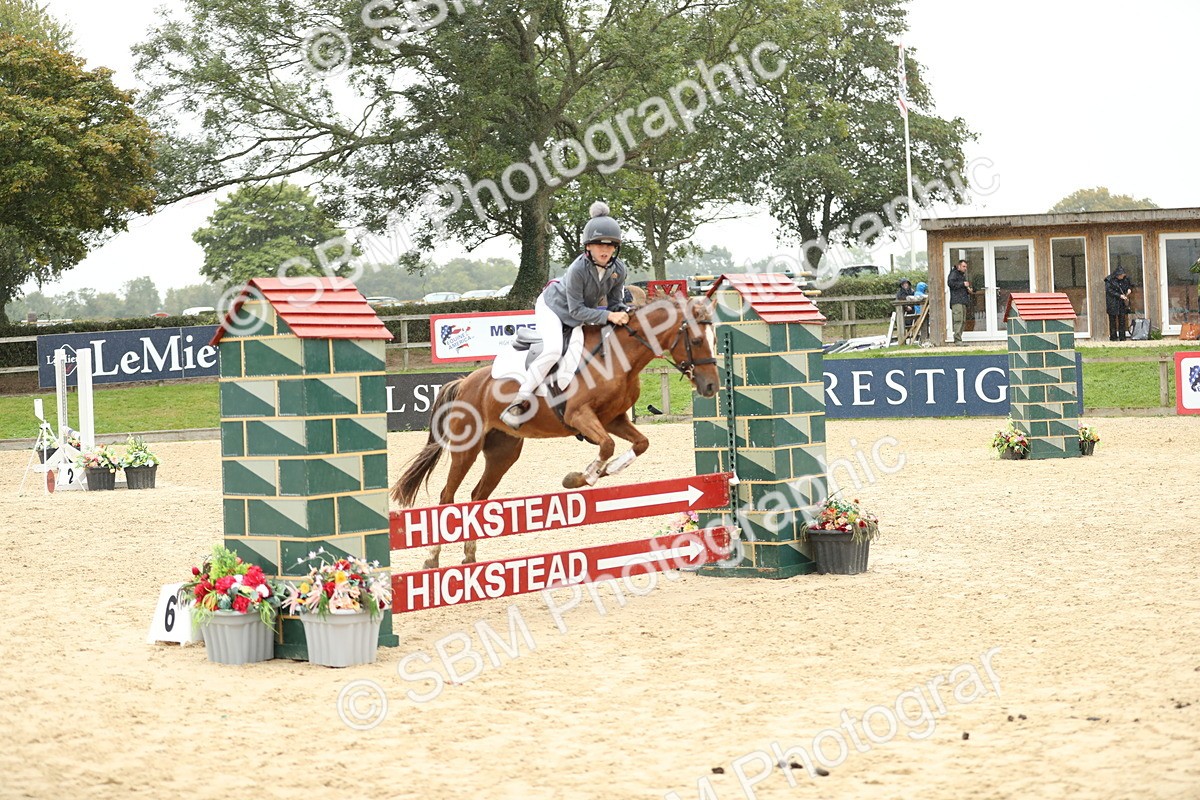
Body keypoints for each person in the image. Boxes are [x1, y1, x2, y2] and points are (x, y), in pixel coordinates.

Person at [500, 201, 630, 429]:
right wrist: (609, 316)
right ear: (588, 247)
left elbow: (616, 303)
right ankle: (518, 402)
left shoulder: (619, 269)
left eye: (610, 246)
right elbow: (576, 311)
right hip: (553, 308)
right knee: (552, 350)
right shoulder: (577, 269)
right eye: (598, 245)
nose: (605, 250)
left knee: (588, 354)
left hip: (579, 314)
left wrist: (626, 313)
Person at [947, 259, 974, 345]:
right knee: (958, 320)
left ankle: (959, 339)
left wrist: (968, 290)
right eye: (963, 266)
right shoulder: (954, 273)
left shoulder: (961, 275)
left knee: (962, 320)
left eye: (966, 267)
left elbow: (960, 286)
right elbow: (950, 284)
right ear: (959, 266)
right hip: (956, 301)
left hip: (962, 300)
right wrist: (963, 284)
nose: (965, 268)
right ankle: (957, 340)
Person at [1104, 266, 1133, 341]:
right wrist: (1119, 295)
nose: (1122, 277)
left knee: (1122, 320)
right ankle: (1113, 337)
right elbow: (1109, 290)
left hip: (1121, 303)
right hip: (1112, 302)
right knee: (1112, 320)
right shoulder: (1109, 280)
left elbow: (1129, 285)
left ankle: (1122, 337)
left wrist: (1129, 289)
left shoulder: (1125, 279)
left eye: (1123, 276)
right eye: (1121, 276)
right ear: (1117, 275)